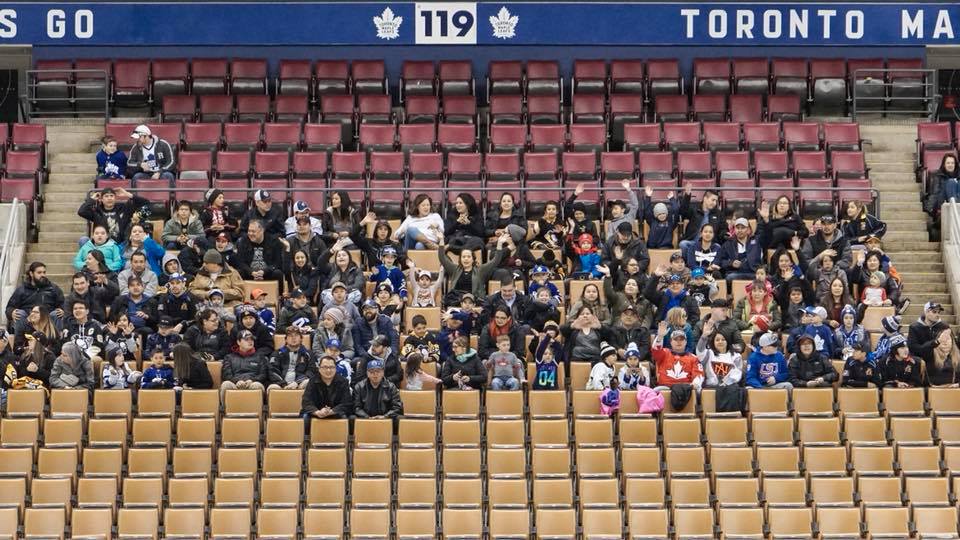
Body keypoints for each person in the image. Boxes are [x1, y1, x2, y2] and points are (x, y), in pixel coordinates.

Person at [439, 234, 507, 301]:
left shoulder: (480, 270)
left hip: (474, 302)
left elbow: (495, 260)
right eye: (464, 257)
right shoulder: (455, 269)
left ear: (473, 259)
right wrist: (441, 240)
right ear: (460, 259)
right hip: (457, 301)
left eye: (468, 257)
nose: (466, 259)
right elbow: (442, 258)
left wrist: (499, 244)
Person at [6, 262, 65, 334]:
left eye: (44, 272)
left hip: (47, 321)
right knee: (19, 313)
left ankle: (56, 343)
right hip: (29, 322)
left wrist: (62, 310)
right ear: (31, 273)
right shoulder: (22, 289)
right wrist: (11, 312)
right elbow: (10, 307)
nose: (42, 275)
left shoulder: (53, 288)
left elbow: (63, 304)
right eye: (39, 272)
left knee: (57, 314)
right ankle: (19, 343)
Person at [78, 186, 150, 245]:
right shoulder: (96, 211)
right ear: (101, 199)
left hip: (121, 245)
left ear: (115, 198)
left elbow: (146, 203)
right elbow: (81, 211)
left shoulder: (124, 208)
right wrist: (92, 199)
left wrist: (128, 194)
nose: (109, 198)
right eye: (106, 196)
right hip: (101, 245)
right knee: (83, 240)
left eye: (111, 196)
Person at [301, 355, 354, 428]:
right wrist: (317, 412)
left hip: (336, 412)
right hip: (317, 413)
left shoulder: (343, 382)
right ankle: (306, 439)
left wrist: (331, 412)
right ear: (319, 369)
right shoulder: (312, 381)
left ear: (335, 369)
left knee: (346, 417)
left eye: (331, 367)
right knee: (305, 417)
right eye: (325, 367)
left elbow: (347, 403)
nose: (328, 370)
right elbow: (306, 402)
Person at [651, 322, 704, 391]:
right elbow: (655, 351)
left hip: (685, 390)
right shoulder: (664, 353)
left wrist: (695, 384)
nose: (679, 342)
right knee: (655, 391)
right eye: (676, 339)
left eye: (681, 339)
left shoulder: (693, 358)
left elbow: (699, 374)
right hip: (665, 388)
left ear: (686, 342)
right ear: (670, 342)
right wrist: (660, 337)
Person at [233, 219, 286, 285]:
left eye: (253, 231)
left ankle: (279, 294)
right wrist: (251, 272)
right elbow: (240, 262)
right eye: (249, 231)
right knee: (238, 272)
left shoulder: (273, 241)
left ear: (262, 231)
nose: (250, 234)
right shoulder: (243, 241)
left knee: (278, 273)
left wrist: (264, 272)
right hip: (250, 273)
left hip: (267, 273)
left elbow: (277, 263)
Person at [220, 330, 271, 398]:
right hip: (235, 384)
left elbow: (263, 374)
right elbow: (226, 375)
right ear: (238, 342)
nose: (250, 341)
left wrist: (252, 380)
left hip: (253, 383)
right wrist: (236, 381)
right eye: (246, 339)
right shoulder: (229, 357)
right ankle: (225, 408)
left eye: (252, 339)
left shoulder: (261, 357)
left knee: (257, 385)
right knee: (226, 384)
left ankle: (256, 408)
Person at [678, 186, 726, 250]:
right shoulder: (695, 210)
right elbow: (682, 212)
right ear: (705, 198)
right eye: (713, 200)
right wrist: (687, 196)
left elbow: (723, 228)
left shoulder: (719, 214)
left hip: (711, 244)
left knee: (718, 247)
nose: (714, 203)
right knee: (683, 244)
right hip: (693, 242)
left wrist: (724, 234)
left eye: (716, 201)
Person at [717, 217, 762, 281]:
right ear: (734, 229)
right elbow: (721, 261)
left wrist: (766, 221)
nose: (740, 230)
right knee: (730, 277)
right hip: (735, 273)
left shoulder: (756, 241)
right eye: (737, 228)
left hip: (753, 273)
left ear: (748, 229)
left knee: (764, 277)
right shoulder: (728, 244)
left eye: (743, 228)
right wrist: (731, 263)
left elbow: (766, 235)